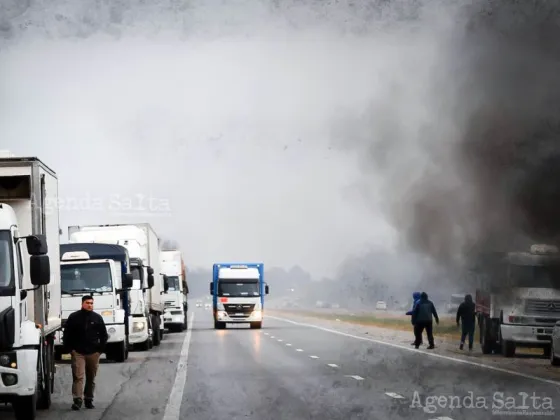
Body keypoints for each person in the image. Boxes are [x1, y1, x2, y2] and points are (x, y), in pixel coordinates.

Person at [62, 295, 108, 410]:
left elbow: (103, 335)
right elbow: (67, 334)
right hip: (78, 352)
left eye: (91, 303)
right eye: (87, 303)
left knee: (91, 377)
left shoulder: (97, 318)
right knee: (78, 376)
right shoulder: (74, 317)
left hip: (93, 352)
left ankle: (89, 399)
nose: (90, 305)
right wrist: (70, 349)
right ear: (82, 303)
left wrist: (100, 350)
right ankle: (77, 399)